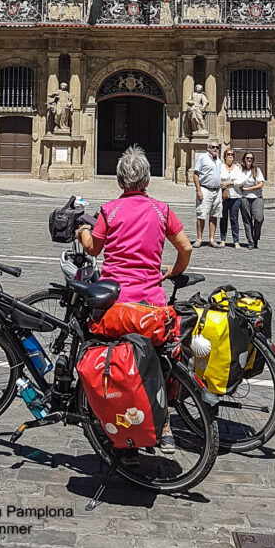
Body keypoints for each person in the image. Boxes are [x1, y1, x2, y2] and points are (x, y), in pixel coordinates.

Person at [75, 144, 192, 454]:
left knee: (108, 358)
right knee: (159, 360)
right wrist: (172, 271)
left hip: (115, 306)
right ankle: (165, 425)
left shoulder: (109, 211)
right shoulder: (161, 210)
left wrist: (83, 230)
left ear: (119, 182)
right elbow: (186, 248)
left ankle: (112, 424)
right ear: (148, 181)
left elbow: (93, 249)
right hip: (151, 306)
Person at [193, 139, 222, 247]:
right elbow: (195, 174)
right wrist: (199, 190)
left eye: (217, 147)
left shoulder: (218, 161)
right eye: (213, 147)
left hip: (216, 190)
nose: (215, 149)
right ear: (208, 148)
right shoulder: (202, 158)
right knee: (201, 215)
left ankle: (211, 239)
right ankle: (199, 239)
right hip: (205, 189)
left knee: (214, 215)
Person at [239, 152, 265, 249]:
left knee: (259, 218)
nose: (249, 160)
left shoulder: (257, 170)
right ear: (244, 159)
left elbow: (260, 184)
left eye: (251, 158)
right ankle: (251, 242)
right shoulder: (240, 170)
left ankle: (255, 238)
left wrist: (247, 189)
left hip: (257, 197)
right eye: (247, 158)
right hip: (244, 198)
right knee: (247, 220)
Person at [219, 148, 244, 249]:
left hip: (236, 196)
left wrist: (229, 182)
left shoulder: (238, 168)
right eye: (228, 154)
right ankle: (223, 239)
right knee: (223, 218)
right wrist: (222, 184)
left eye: (232, 154)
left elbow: (242, 181)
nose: (230, 156)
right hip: (223, 196)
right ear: (225, 156)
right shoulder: (220, 167)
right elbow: (218, 179)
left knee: (234, 218)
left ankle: (236, 241)